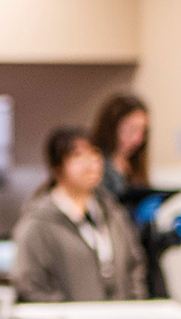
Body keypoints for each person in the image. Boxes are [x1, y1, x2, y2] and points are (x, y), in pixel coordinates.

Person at [10, 126, 149, 304]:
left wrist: (133, 305)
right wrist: (64, 315)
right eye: (77, 155)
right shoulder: (39, 221)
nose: (90, 163)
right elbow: (28, 282)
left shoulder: (113, 212)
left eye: (94, 154)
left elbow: (135, 265)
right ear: (58, 167)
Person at [90, 93, 181, 298]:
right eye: (131, 130)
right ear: (112, 127)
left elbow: (146, 245)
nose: (137, 139)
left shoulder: (134, 170)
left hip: (149, 272)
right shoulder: (99, 172)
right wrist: (132, 221)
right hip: (122, 273)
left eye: (142, 132)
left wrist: (171, 236)